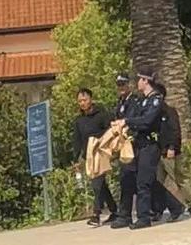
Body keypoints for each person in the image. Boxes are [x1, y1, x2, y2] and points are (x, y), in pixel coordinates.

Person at [113, 70, 169, 230]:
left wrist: (127, 121)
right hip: (139, 145)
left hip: (150, 145)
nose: (138, 83)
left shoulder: (156, 100)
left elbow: (147, 121)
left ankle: (144, 217)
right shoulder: (143, 101)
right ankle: (173, 206)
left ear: (145, 81)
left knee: (143, 182)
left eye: (139, 80)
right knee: (142, 180)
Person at [72, 88, 117, 226]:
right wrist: (76, 158)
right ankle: (115, 210)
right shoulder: (79, 121)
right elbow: (77, 140)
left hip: (100, 153)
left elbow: (110, 131)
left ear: (91, 99)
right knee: (101, 185)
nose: (82, 103)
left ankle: (96, 214)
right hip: (88, 156)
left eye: (84, 100)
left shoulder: (102, 115)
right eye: (80, 101)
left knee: (96, 184)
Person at [152, 84, 191, 220]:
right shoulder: (154, 114)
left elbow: (175, 130)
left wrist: (172, 147)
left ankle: (189, 203)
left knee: (177, 178)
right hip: (159, 151)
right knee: (160, 180)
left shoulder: (169, 111)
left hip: (171, 151)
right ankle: (160, 209)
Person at [110, 73, 139, 229]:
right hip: (123, 147)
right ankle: (125, 214)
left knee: (132, 180)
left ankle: (126, 214)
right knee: (128, 180)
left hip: (132, 145)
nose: (121, 87)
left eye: (123, 84)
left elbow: (132, 123)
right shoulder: (120, 103)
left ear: (130, 85)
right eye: (119, 85)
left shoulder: (134, 102)